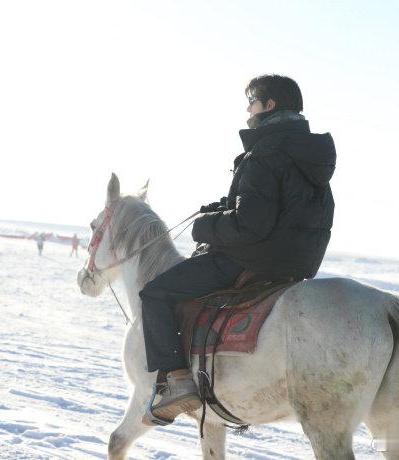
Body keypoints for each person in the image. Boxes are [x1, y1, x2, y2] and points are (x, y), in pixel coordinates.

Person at [138, 74, 336, 425]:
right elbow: (280, 210)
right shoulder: (311, 155)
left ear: (269, 105)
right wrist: (225, 207)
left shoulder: (264, 154)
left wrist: (205, 226)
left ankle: (177, 382)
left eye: (252, 102)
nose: (247, 110)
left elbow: (251, 226)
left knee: (155, 293)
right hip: (299, 265)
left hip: (252, 260)